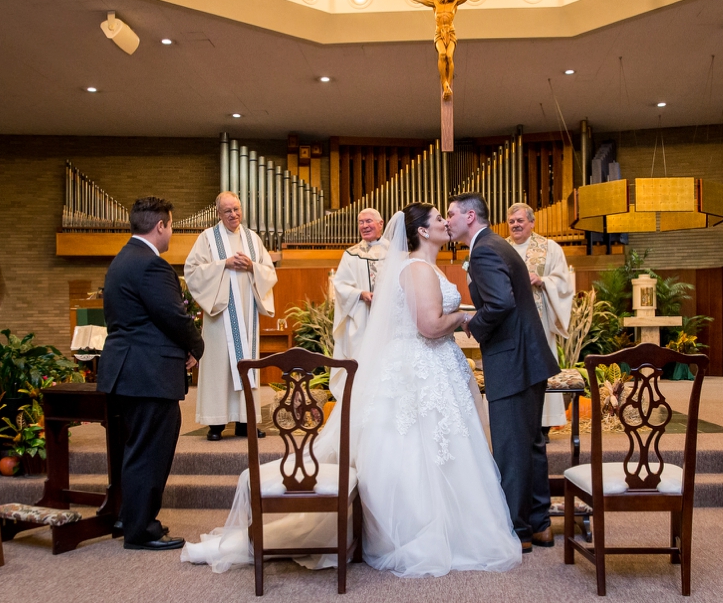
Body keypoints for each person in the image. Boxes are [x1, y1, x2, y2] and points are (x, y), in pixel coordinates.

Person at [182, 205, 521, 576]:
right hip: (419, 370)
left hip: (428, 369)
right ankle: (423, 529)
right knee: (419, 451)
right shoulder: (419, 269)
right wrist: (463, 317)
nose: (446, 223)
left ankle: (445, 523)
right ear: (422, 232)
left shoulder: (422, 267)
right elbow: (428, 325)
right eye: (438, 218)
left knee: (436, 449)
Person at [446, 192, 561, 553]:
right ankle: (539, 524)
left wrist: (472, 323)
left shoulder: (483, 249)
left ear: (469, 216)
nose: (447, 221)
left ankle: (518, 531)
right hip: (528, 356)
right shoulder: (497, 244)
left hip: (512, 359)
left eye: (450, 214)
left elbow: (499, 302)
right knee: (531, 445)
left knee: (513, 449)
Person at [99, 197, 204, 551]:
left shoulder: (121, 260)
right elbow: (173, 316)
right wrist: (197, 346)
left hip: (126, 370)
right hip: (148, 374)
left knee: (137, 449)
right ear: (160, 226)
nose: (171, 232)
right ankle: (140, 530)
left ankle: (132, 517)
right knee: (150, 453)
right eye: (171, 226)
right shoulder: (151, 266)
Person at [184, 192, 277, 441]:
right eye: (227, 211)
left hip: (246, 318)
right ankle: (216, 423)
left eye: (236, 209)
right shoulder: (208, 239)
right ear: (218, 213)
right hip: (220, 316)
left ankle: (245, 421)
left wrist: (252, 268)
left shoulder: (252, 239)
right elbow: (192, 271)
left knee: (247, 365)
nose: (233, 214)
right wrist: (223, 264)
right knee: (220, 367)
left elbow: (269, 272)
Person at [505, 203, 574, 432]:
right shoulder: (501, 248)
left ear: (532, 223)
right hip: (510, 321)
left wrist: (543, 281)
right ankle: (517, 423)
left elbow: (564, 281)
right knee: (513, 368)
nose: (515, 225)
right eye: (512, 221)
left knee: (539, 367)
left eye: (520, 221)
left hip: (539, 319)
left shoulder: (549, 248)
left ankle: (542, 425)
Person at [392, 0, 498, 100]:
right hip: (439, 33)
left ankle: (449, 84)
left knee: (449, 56)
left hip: (451, 32)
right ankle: (445, 84)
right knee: (442, 54)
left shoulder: (455, 3)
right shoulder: (435, 3)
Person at [330, 208, 388, 401]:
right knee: (362, 365)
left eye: (369, 221)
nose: (364, 226)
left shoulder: (394, 252)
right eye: (361, 222)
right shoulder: (351, 254)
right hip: (361, 319)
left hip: (388, 322)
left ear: (381, 224)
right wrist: (360, 294)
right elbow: (340, 285)